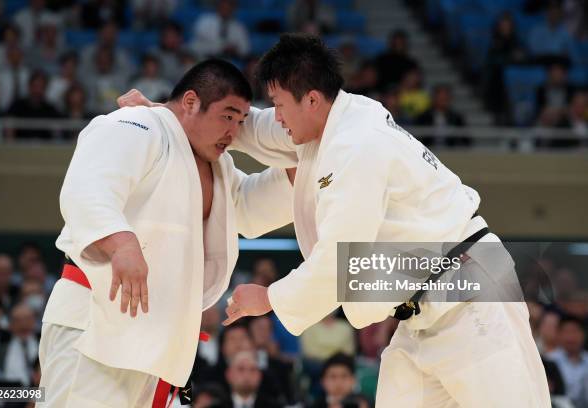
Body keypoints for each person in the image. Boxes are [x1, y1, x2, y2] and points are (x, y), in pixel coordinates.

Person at [217, 34, 550, 407]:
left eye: (279, 104)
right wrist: (179, 116)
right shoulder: (338, 119)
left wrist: (270, 297)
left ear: (311, 99)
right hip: (420, 312)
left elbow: (339, 259)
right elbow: (262, 128)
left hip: (471, 297)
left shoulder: (356, 145)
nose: (276, 115)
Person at [38, 59, 296, 407]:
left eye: (240, 122)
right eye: (227, 116)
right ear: (190, 103)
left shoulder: (217, 165)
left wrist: (301, 167)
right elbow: (88, 187)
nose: (233, 132)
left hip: (157, 339)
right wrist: (122, 243)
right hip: (96, 324)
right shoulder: (138, 123)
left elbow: (248, 210)